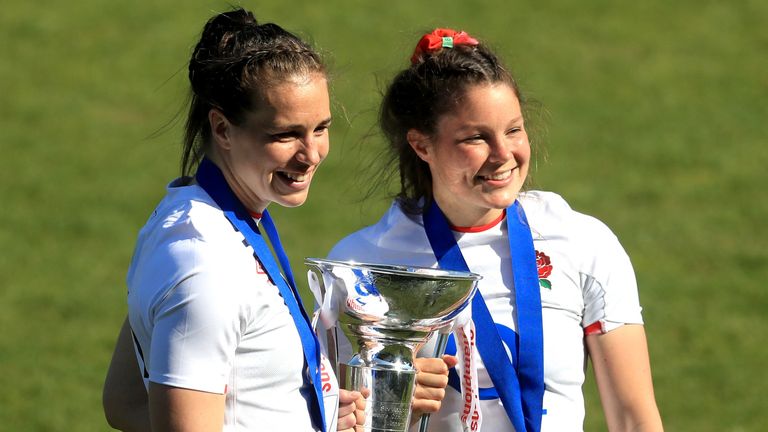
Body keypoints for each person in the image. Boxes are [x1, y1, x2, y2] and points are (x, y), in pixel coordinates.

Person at [327, 28, 664, 431]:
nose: (504, 155)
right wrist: (390, 406)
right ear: (422, 146)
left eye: (513, 130)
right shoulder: (362, 266)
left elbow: (634, 418)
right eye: (476, 137)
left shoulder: (582, 243)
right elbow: (336, 420)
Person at [101, 8, 366, 431]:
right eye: (286, 134)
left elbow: (126, 401)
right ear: (223, 130)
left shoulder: (191, 221)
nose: (311, 154)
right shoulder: (205, 264)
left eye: (321, 128)